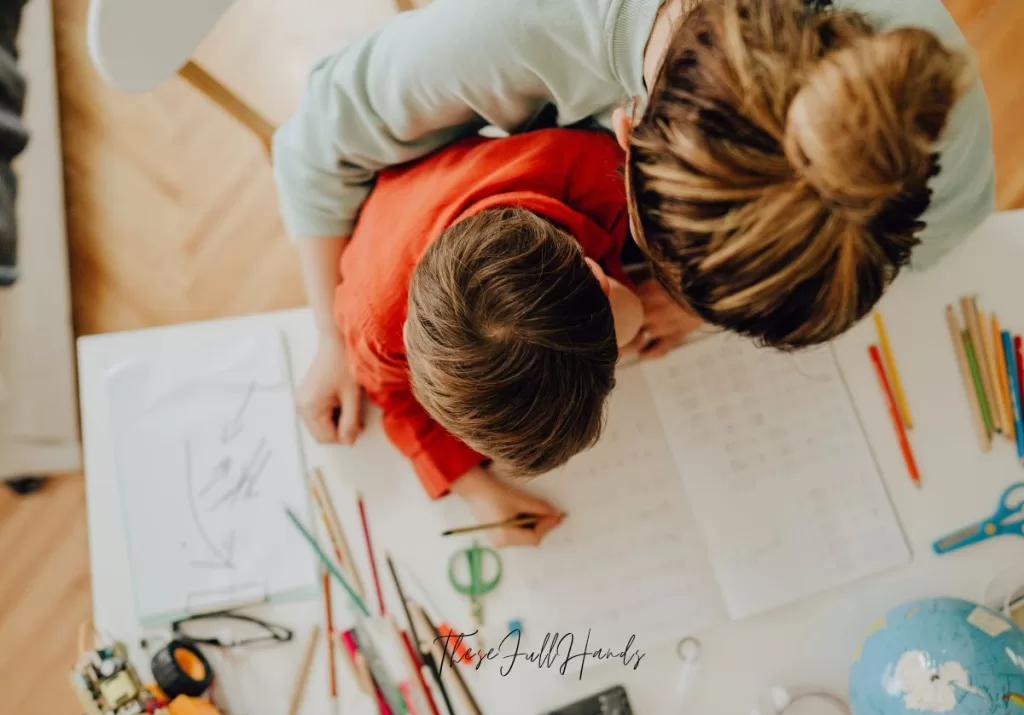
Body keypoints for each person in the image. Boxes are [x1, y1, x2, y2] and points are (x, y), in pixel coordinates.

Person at [275, 0, 994, 446]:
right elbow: (311, 148)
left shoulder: (920, 109)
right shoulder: (516, 23)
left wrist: (699, 311)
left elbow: (937, 243)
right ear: (623, 133)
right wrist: (331, 340)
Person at [335, 128, 642, 546]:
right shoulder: (375, 321)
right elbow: (391, 394)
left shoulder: (604, 172)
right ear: (406, 338)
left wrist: (626, 317)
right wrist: (474, 487)